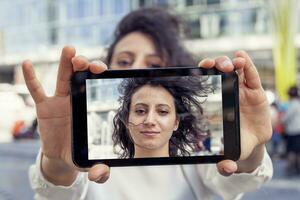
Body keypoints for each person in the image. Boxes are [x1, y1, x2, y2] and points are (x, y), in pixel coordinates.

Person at [24, 7, 273, 200]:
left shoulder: (198, 149)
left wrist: (249, 151)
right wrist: (56, 162)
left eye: (154, 65)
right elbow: (57, 193)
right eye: (124, 61)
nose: (138, 69)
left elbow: (236, 180)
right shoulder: (85, 145)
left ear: (176, 120)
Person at [112, 76, 212, 158]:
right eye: (140, 111)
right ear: (126, 119)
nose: (150, 121)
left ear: (176, 122)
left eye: (163, 111)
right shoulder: (108, 174)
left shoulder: (199, 175)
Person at [282, 86, 300, 175]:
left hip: (293, 132)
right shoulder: (298, 103)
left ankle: (291, 167)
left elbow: (285, 119)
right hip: (298, 131)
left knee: (292, 151)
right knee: (297, 151)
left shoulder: (293, 104)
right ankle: (296, 167)